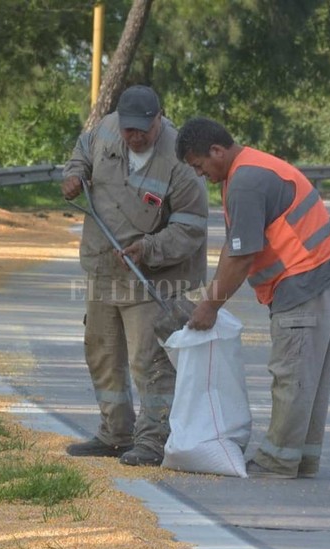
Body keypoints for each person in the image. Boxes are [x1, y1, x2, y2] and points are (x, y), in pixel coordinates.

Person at [174, 117, 330, 479]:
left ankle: (277, 461)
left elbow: (242, 256)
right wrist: (210, 296)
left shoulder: (245, 182)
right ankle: (301, 458)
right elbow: (233, 246)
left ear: (217, 151)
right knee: (309, 375)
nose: (200, 174)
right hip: (328, 271)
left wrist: (210, 306)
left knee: (291, 373)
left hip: (307, 279)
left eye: (199, 165)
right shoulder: (247, 169)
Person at [61, 85, 209, 466]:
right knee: (102, 352)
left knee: (150, 362)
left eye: (143, 128)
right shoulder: (106, 130)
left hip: (152, 277)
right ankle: (115, 433)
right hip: (103, 267)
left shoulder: (180, 162)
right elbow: (81, 151)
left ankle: (153, 440)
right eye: (129, 129)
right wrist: (75, 174)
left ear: (159, 118)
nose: (135, 136)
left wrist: (150, 248)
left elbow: (192, 226)